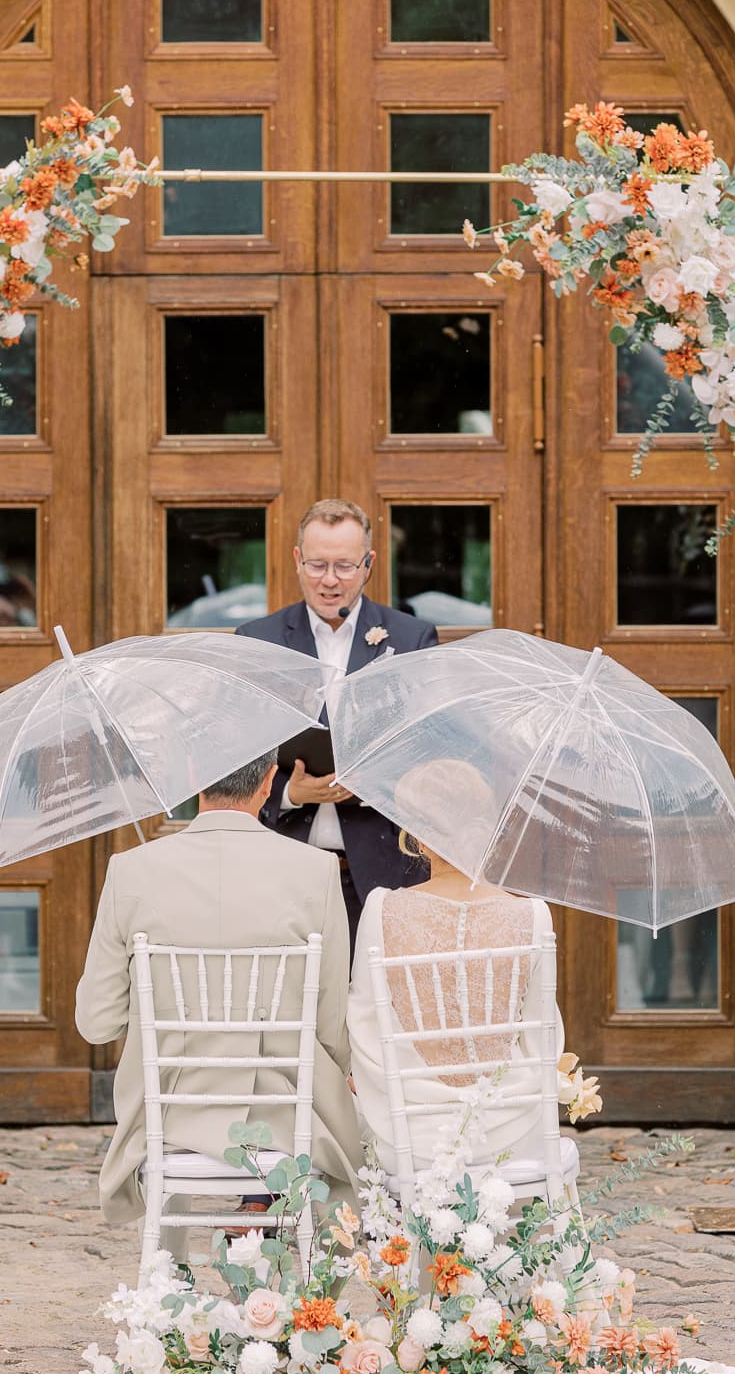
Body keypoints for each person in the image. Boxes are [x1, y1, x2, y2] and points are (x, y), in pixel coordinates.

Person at [74, 749, 362, 1258]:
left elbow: (96, 1023)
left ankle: (173, 1274)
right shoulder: (315, 870)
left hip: (170, 1114)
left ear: (191, 777)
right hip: (285, 1112)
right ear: (270, 780)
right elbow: (333, 1026)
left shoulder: (131, 869)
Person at [235, 498, 437, 939]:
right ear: (296, 559)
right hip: (283, 868)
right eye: (317, 565)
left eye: (344, 566)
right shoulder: (257, 641)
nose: (329, 581)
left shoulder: (410, 638)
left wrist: (371, 783)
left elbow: (427, 748)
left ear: (369, 564)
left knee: (377, 1006)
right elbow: (236, 755)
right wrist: (290, 792)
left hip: (384, 871)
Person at [347, 759, 561, 1172]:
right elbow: (544, 1039)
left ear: (419, 837)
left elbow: (365, 1024)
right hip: (509, 1129)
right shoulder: (533, 915)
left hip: (407, 1130)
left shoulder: (381, 908)